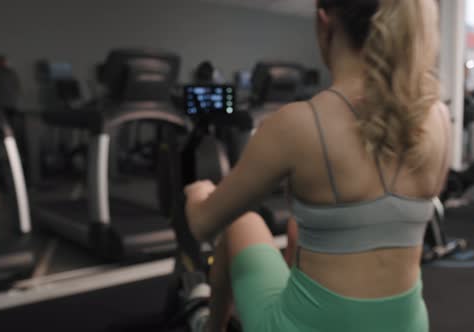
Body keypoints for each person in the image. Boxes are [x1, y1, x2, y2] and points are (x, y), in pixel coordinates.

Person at [185, 0, 449, 331]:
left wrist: (199, 193)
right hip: (408, 326)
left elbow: (202, 225)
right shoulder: (438, 117)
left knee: (243, 222)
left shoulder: (297, 124)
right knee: (299, 229)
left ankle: (211, 327)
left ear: (324, 23)